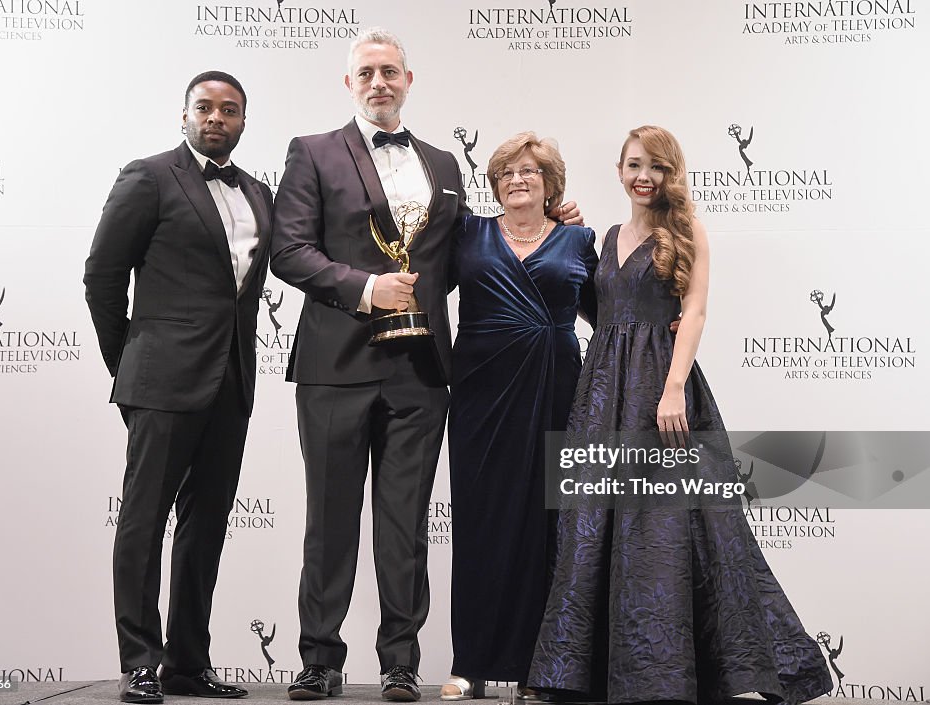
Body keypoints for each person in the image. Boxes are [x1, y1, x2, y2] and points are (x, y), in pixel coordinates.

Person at [270, 28, 581, 703]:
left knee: (405, 525)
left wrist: (549, 219)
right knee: (330, 520)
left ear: (410, 81)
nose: (379, 82)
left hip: (422, 370)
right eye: (366, 73)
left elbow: (477, 243)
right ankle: (321, 658)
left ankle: (399, 662)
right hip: (334, 366)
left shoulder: (443, 164)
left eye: (390, 71)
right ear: (347, 83)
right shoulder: (313, 152)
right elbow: (288, 250)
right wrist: (364, 287)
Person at [527, 126, 833, 704]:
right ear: (619, 170)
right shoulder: (608, 235)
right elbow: (601, 311)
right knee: (594, 525)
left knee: (676, 528)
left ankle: (680, 673)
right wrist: (568, 237)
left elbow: (693, 314)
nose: (644, 176)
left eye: (657, 167)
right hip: (601, 393)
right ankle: (588, 674)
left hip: (663, 389)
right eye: (634, 165)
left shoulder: (686, 230)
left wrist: (672, 391)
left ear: (672, 174)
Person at [84, 71, 273, 703]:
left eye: (231, 109)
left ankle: (188, 663)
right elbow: (102, 278)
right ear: (184, 115)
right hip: (160, 379)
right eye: (205, 108)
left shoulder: (258, 194)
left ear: (244, 122)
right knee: (143, 520)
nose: (217, 117)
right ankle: (140, 660)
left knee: (207, 524)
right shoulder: (148, 176)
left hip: (233, 380)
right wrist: (131, 365)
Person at [442, 133, 597, 701]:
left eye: (530, 171)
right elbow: (424, 284)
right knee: (481, 520)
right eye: (506, 171)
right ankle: (471, 662)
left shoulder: (580, 239)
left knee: (548, 525)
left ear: (552, 183)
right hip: (482, 392)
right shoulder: (469, 232)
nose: (517, 179)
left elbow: (610, 317)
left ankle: (543, 667)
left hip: (557, 388)